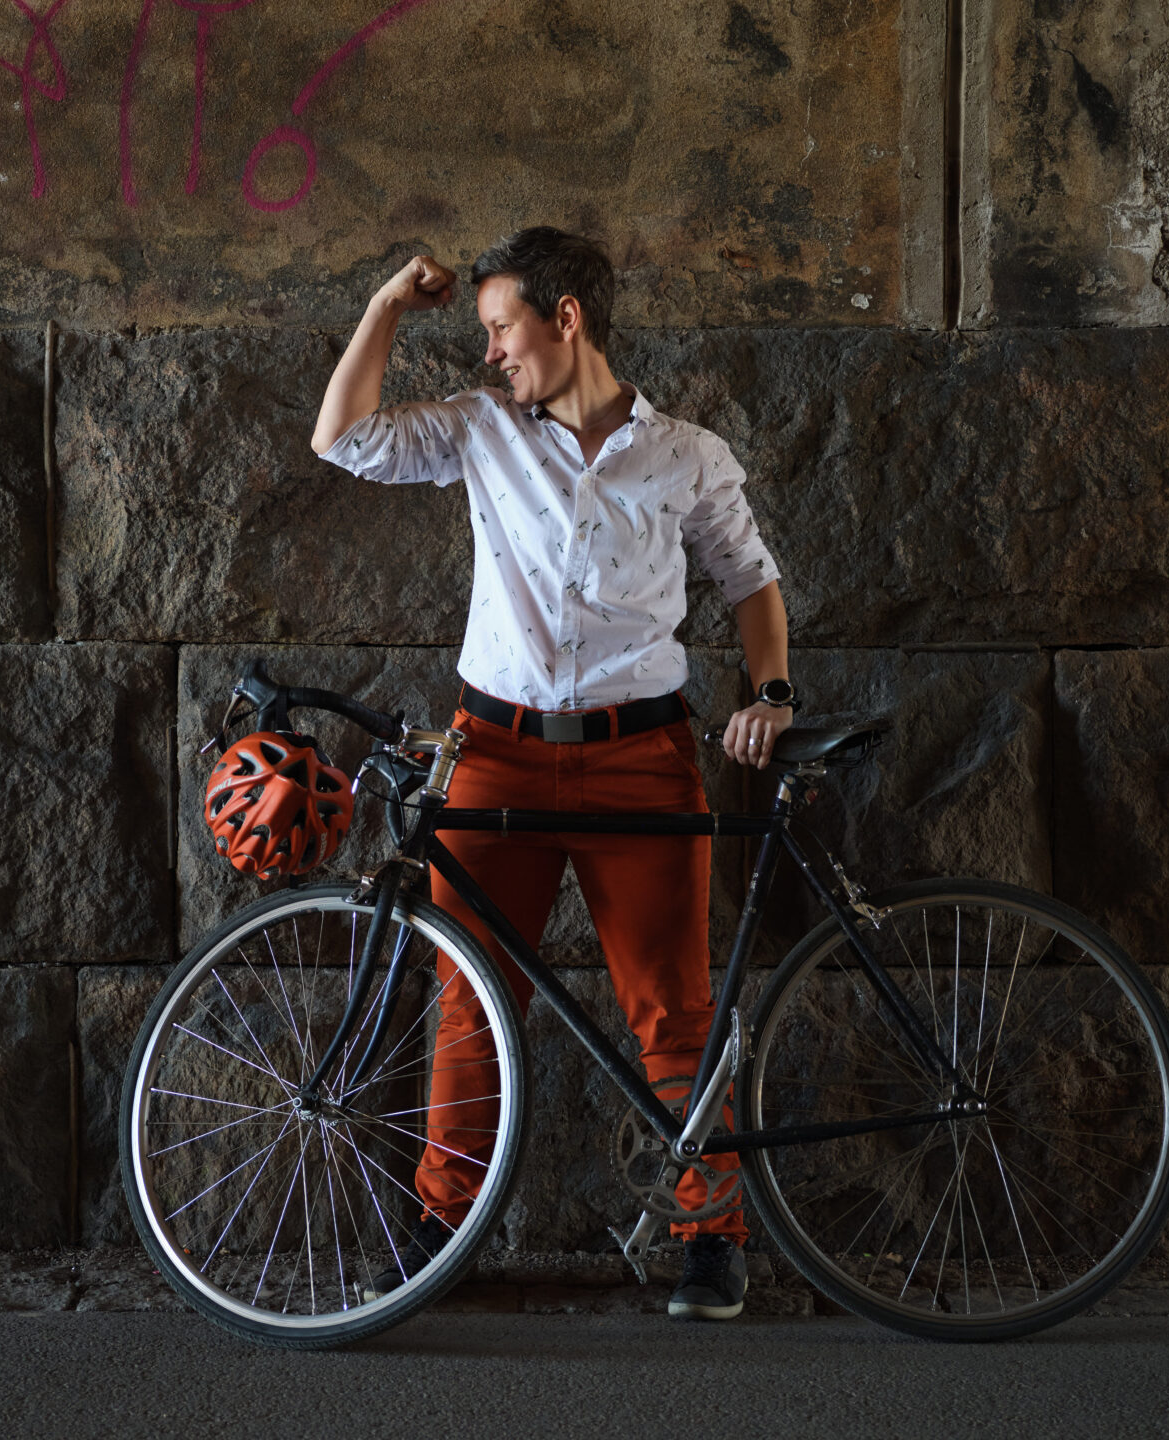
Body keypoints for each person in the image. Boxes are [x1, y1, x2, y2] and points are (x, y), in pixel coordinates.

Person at [311, 226, 800, 1321]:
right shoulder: (482, 430)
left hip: (643, 760)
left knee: (674, 1009)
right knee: (469, 1002)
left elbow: (751, 581)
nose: (490, 352)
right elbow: (341, 438)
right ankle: (442, 1231)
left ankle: (710, 1236)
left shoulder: (688, 455)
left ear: (564, 317)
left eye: (501, 328)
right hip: (494, 757)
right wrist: (387, 305)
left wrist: (770, 694)